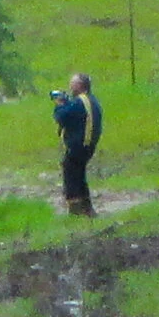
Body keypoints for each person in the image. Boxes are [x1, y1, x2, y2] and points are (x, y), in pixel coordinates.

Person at [51, 73, 103, 216]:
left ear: (80, 86)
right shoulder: (91, 100)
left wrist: (60, 104)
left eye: (73, 83)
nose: (70, 86)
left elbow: (61, 117)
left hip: (78, 145)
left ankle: (75, 209)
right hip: (88, 145)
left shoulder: (80, 102)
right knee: (79, 174)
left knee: (71, 173)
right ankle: (87, 207)